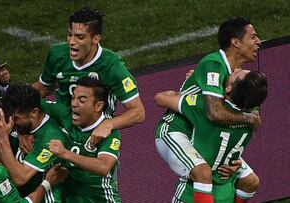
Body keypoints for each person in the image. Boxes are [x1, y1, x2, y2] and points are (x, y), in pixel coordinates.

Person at [155, 17, 262, 202]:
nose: (258, 42)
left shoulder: (242, 78)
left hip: (208, 137)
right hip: (178, 131)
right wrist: (249, 119)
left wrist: (233, 158)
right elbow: (215, 113)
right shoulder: (214, 65)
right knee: (203, 173)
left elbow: (248, 125)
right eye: (253, 37)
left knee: (249, 181)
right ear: (236, 43)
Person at [32, 7, 144, 148]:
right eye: (69, 34)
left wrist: (108, 124)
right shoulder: (57, 54)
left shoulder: (111, 67)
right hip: (59, 129)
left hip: (92, 136)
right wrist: (25, 129)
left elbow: (138, 112)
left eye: (80, 37)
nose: (71, 42)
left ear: (95, 39)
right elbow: (41, 89)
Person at [156, 69, 268, 202]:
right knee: (251, 180)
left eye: (237, 74)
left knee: (202, 173)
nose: (236, 69)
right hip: (225, 191)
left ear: (228, 89)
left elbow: (161, 98)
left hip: (192, 195)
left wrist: (194, 85)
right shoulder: (253, 112)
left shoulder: (205, 108)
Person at [0, 84, 69, 202]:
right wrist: (20, 133)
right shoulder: (26, 116)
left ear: (34, 113)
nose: (10, 123)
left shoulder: (50, 139)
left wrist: (3, 139)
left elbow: (20, 178)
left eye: (16, 118)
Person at [42, 77, 121, 202]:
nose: (74, 104)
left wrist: (65, 153)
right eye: (73, 98)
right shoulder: (65, 114)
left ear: (98, 106)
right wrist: (24, 134)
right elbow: (30, 104)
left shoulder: (108, 134)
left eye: (82, 100)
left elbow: (104, 167)